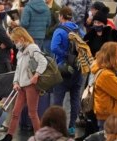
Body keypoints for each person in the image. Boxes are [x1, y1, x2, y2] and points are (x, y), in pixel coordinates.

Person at [0, 27, 48, 141]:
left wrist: (36, 75)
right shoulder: (20, 52)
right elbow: (17, 69)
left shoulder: (33, 48)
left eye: (15, 41)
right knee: (16, 112)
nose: (15, 43)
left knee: (32, 113)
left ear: (21, 38)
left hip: (31, 85)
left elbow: (43, 61)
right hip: (21, 86)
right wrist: (15, 82)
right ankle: (9, 136)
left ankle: (39, 137)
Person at [50, 6, 83, 136]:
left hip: (63, 69)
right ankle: (72, 127)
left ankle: (56, 128)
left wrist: (64, 55)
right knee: (75, 99)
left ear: (61, 16)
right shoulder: (78, 29)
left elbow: (53, 47)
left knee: (58, 100)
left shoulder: (59, 30)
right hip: (77, 69)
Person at [91, 42, 117, 130]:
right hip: (110, 118)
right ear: (111, 56)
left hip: (113, 116)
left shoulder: (113, 69)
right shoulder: (106, 75)